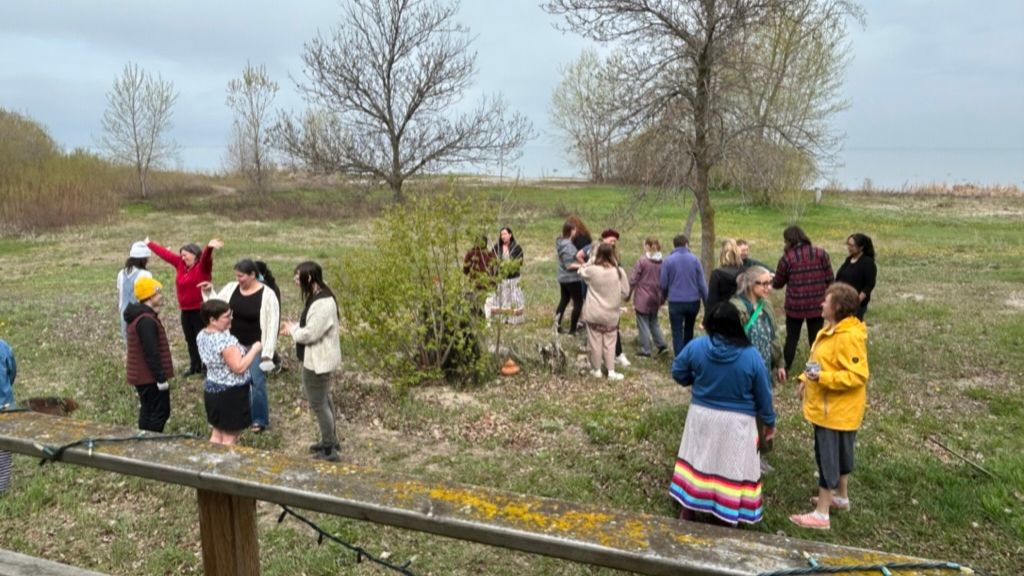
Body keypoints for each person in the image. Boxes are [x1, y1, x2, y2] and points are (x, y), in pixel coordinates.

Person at [670, 302, 775, 526]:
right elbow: (763, 393)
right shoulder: (751, 355)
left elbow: (678, 370)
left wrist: (693, 380)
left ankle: (689, 507)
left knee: (698, 459)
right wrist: (769, 421)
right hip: (738, 422)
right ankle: (728, 513)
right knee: (732, 465)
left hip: (702, 414)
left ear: (709, 324)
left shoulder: (697, 346)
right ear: (737, 325)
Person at [789, 282, 869, 531]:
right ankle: (840, 498)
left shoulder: (848, 338)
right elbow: (818, 361)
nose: (822, 304)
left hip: (834, 412)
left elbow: (857, 376)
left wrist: (821, 379)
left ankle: (821, 514)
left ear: (837, 308)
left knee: (828, 459)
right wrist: (805, 377)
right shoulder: (832, 330)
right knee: (841, 455)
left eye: (826, 301)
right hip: (835, 411)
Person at [200, 259, 280, 433]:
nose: (238, 279)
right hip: (233, 343)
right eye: (236, 275)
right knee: (235, 380)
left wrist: (267, 351)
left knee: (256, 380)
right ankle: (239, 414)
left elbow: (273, 324)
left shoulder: (267, 295)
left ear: (253, 275)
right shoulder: (231, 288)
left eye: (241, 276)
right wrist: (209, 291)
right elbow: (217, 307)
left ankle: (259, 419)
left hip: (255, 345)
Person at [281, 261, 343, 462]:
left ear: (309, 278)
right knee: (324, 399)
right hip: (316, 359)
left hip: (318, 362)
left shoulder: (322, 303)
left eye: (298, 277)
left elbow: (310, 334)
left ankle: (329, 448)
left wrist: (292, 330)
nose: (294, 280)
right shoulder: (318, 294)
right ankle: (331, 440)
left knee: (318, 403)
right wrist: (295, 326)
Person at [146, 236, 224, 376]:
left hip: (200, 310)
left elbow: (206, 257)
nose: (182, 258)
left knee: (204, 339)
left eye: (185, 255)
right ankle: (195, 365)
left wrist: (209, 247)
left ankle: (207, 367)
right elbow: (166, 255)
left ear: (195, 254)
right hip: (185, 311)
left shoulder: (202, 266)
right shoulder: (180, 265)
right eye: (181, 255)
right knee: (190, 339)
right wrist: (149, 244)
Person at [197, 299, 262, 446]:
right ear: (212, 320)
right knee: (229, 438)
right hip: (231, 395)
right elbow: (238, 367)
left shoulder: (202, 335)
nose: (231, 318)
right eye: (227, 316)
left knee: (217, 434)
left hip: (212, 390)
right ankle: (224, 468)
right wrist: (254, 349)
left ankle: (208, 466)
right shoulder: (225, 342)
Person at [773, 226, 834, 372]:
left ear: (788, 240)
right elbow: (830, 280)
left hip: (795, 306)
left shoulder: (787, 258)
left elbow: (778, 283)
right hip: (817, 305)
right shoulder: (821, 254)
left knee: (792, 339)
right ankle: (814, 371)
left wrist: (772, 278)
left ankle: (785, 371)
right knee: (815, 340)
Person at [123, 277, 174, 433]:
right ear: (150, 296)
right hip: (149, 378)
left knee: (148, 409)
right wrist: (161, 379)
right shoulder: (146, 321)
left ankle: (143, 440)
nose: (161, 296)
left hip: (143, 376)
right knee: (159, 412)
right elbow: (151, 352)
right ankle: (151, 444)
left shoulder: (141, 316)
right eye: (158, 293)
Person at [579, 244, 631, 380]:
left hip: (594, 312)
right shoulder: (619, 271)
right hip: (611, 314)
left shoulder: (592, 270)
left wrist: (590, 260)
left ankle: (596, 369)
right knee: (610, 342)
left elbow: (580, 271)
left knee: (594, 341)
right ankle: (611, 371)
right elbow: (626, 293)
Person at [660, 234, 707, 355]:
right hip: (693, 301)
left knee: (676, 331)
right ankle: (688, 356)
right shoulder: (695, 260)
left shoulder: (668, 261)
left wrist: (663, 298)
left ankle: (679, 360)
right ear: (687, 244)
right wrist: (707, 303)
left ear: (674, 245)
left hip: (675, 301)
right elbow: (702, 284)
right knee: (689, 329)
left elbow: (663, 284)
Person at [630, 237, 668, 358]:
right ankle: (661, 344)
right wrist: (663, 298)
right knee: (654, 322)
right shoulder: (662, 262)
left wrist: (628, 293)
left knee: (643, 323)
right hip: (656, 296)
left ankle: (646, 349)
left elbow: (633, 279)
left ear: (647, 246)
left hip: (642, 297)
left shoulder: (642, 261)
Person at [116, 241, 153, 341]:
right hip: (140, 314)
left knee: (130, 346)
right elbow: (150, 296)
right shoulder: (146, 275)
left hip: (124, 314)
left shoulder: (121, 274)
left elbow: (120, 294)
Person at [835, 233, 877, 321]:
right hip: (842, 302)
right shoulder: (849, 259)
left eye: (852, 245)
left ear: (861, 247)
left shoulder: (868, 263)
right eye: (848, 244)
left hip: (855, 305)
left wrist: (856, 301)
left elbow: (869, 285)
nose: (849, 247)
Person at [555, 221, 584, 335]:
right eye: (575, 230)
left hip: (563, 277)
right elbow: (569, 265)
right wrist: (584, 265)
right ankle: (572, 330)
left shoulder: (562, 243)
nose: (576, 232)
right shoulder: (567, 245)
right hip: (571, 278)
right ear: (571, 231)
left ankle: (557, 326)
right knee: (578, 302)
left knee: (564, 300)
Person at [491, 227, 525, 324]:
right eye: (502, 234)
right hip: (501, 277)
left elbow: (520, 262)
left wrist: (510, 265)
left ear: (510, 235)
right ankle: (500, 319)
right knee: (501, 298)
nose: (503, 236)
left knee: (513, 298)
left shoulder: (516, 247)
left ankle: (513, 320)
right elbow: (492, 261)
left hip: (513, 277)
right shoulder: (496, 247)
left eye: (505, 234)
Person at [707, 238, 743, 311]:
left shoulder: (717, 274)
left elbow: (712, 300)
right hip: (742, 312)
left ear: (722, 254)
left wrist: (706, 320)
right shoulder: (745, 272)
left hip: (722, 314)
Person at [0, 338, 17, 493]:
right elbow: (12, 371)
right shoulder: (3, 347)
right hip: (4, 410)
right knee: (3, 450)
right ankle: (2, 486)